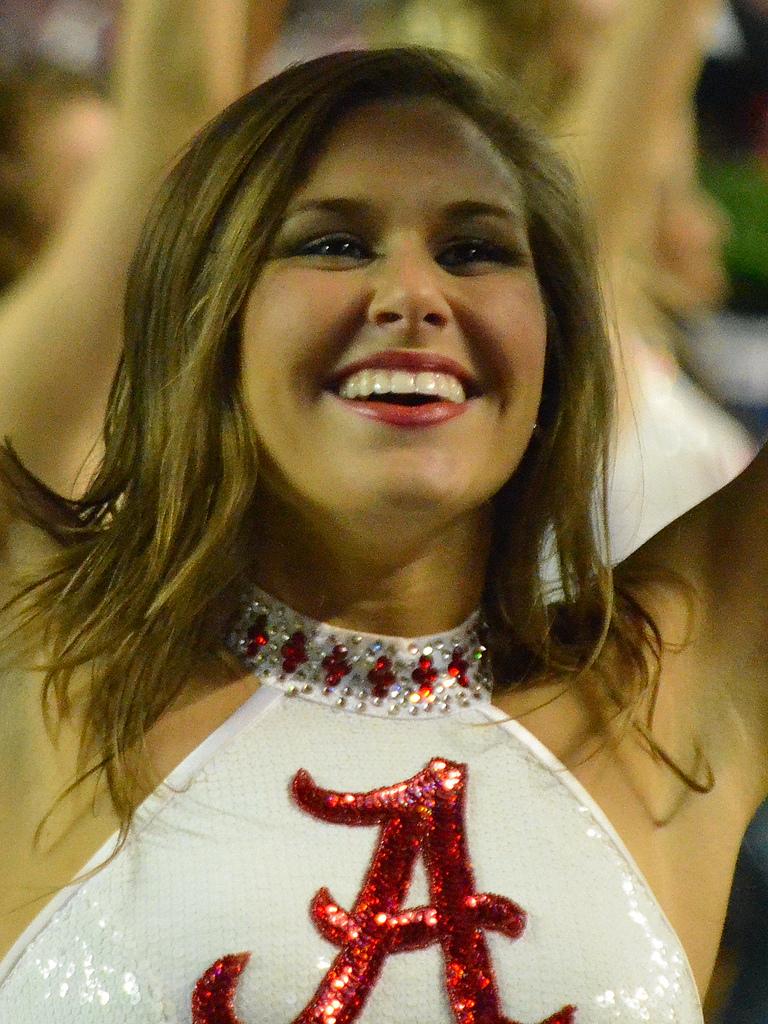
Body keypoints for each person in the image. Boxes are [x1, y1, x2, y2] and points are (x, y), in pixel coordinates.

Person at [0, 44, 766, 1023]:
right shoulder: (42, 666)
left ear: (555, 340)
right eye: (333, 244)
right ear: (206, 314)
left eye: (475, 250)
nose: (414, 295)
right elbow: (176, 86)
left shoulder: (673, 695)